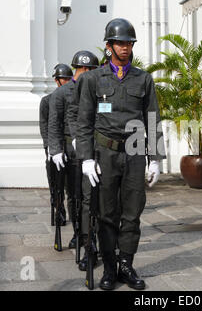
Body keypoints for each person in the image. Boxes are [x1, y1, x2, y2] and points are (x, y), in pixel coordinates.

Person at [76, 18, 166, 291]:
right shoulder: (92, 79)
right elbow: (84, 121)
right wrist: (86, 158)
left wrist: (156, 158)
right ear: (109, 46)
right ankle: (109, 268)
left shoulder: (143, 78)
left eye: (129, 43)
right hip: (105, 152)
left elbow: (153, 119)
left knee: (132, 212)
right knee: (106, 214)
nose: (125, 48)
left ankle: (126, 264)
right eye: (120, 43)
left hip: (136, 150)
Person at [48, 51, 99, 249]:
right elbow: (54, 123)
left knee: (91, 195)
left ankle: (91, 235)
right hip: (70, 149)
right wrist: (55, 150)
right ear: (84, 69)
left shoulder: (95, 88)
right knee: (74, 194)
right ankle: (78, 231)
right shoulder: (61, 93)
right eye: (90, 70)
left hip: (92, 147)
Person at [39, 64, 73, 225]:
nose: (66, 81)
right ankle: (59, 209)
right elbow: (45, 126)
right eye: (63, 78)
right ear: (56, 80)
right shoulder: (46, 101)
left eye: (68, 78)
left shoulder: (74, 98)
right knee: (55, 185)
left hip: (69, 146)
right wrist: (49, 149)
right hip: (54, 147)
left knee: (70, 185)